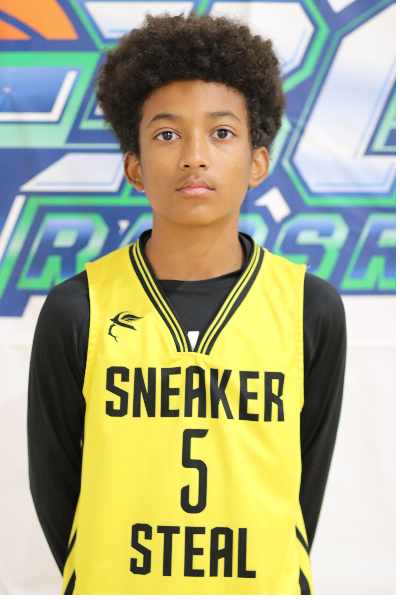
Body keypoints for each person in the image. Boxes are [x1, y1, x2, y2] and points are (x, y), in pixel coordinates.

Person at [28, 13, 346, 595]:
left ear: (257, 161)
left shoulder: (309, 307)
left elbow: (302, 490)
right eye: (167, 135)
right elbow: (56, 488)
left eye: (221, 133)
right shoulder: (79, 308)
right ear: (134, 166)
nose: (194, 156)